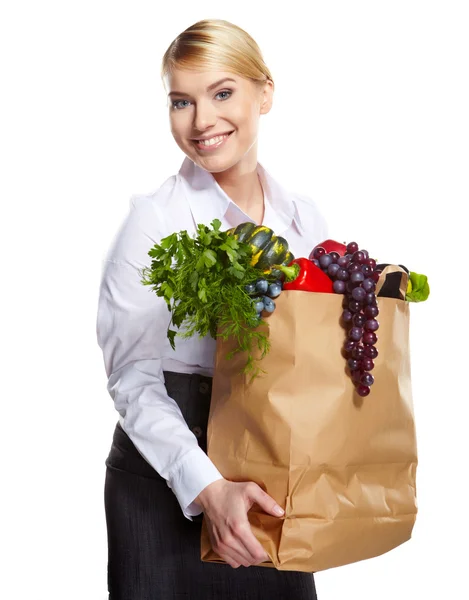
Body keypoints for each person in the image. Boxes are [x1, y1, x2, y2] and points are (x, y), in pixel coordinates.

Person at [96, 18, 328, 600]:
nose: (201, 121)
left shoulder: (304, 222)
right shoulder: (154, 221)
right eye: (182, 101)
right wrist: (206, 488)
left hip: (271, 480)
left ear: (264, 92)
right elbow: (133, 379)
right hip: (164, 479)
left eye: (222, 93)